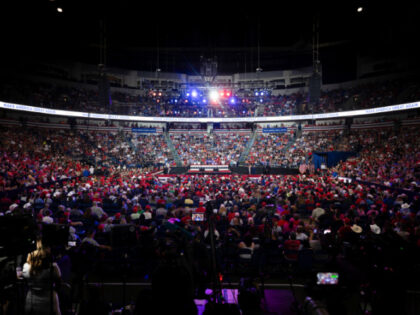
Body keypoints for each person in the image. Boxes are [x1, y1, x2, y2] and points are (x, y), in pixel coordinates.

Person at [22, 238, 62, 315]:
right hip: (49, 301)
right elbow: (58, 284)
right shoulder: (53, 268)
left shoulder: (26, 267)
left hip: (31, 301)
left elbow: (25, 281)